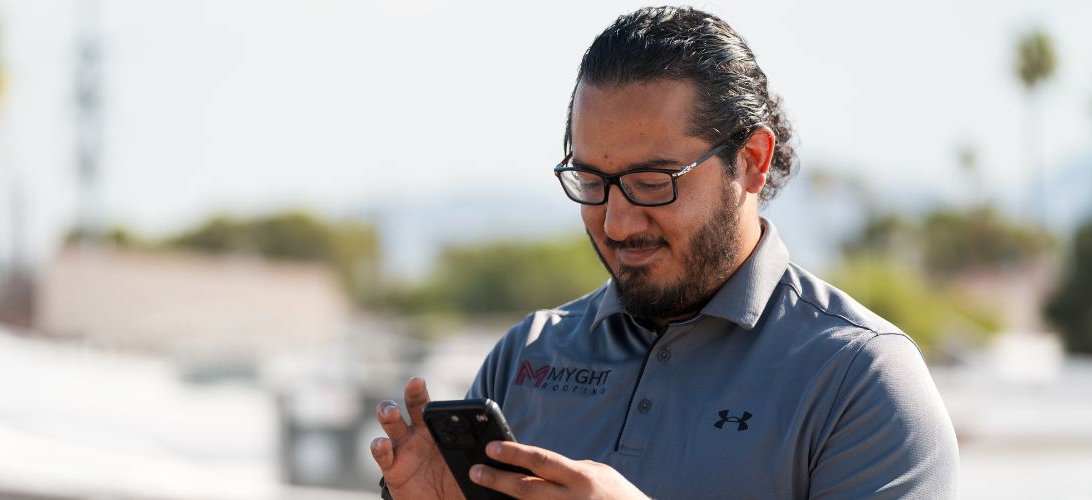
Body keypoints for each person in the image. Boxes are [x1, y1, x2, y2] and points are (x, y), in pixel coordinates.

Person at [370, 6, 960, 499]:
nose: (618, 221)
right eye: (592, 181)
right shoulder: (525, 356)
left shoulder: (859, 380)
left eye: (654, 181)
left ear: (751, 161)